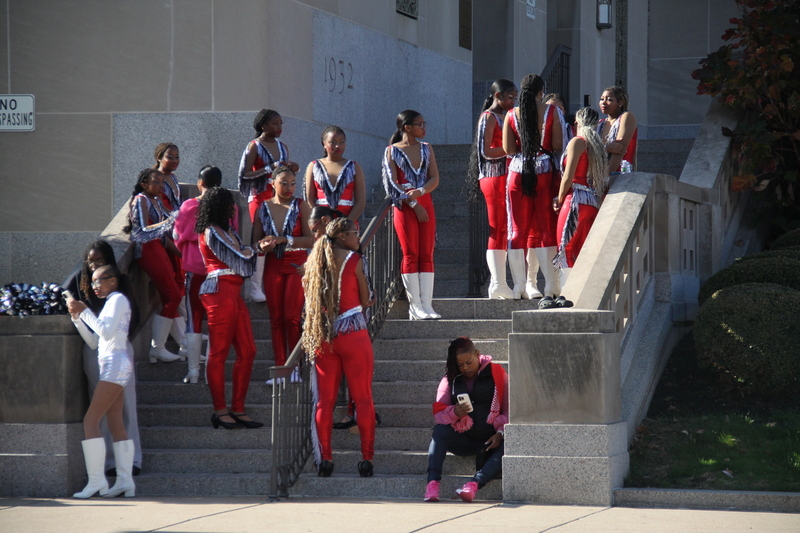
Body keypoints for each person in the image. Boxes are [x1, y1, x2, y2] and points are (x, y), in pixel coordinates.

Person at [301, 217, 376, 478]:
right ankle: (366, 459)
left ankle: (326, 460)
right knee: (363, 398)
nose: (358, 238)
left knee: (325, 401)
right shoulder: (354, 260)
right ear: (343, 236)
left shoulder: (315, 260)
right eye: (355, 233)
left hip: (323, 334)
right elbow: (366, 300)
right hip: (353, 332)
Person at [65, 241, 142, 478]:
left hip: (117, 352)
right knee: (107, 415)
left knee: (124, 409)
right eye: (90, 261)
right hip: (97, 353)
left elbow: (112, 329)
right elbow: (92, 336)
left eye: (100, 261)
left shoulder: (119, 292)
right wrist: (78, 317)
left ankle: (130, 463)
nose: (94, 265)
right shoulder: (79, 280)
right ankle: (115, 470)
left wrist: (84, 312)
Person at [195, 187, 261, 430]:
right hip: (219, 291)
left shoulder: (227, 230)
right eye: (230, 204)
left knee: (249, 350)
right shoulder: (211, 231)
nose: (234, 208)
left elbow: (244, 256)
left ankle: (238, 409)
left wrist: (250, 251)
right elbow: (242, 259)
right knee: (219, 352)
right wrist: (253, 250)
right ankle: (220, 410)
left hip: (232, 291)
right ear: (219, 206)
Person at [503, 74, 567, 307]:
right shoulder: (552, 112)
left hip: (518, 172)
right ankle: (551, 285)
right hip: (545, 171)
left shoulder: (511, 114)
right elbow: (559, 144)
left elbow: (508, 149)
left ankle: (519, 285)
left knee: (516, 230)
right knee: (546, 229)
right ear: (542, 91)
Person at [424, 337, 508, 503]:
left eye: (469, 362)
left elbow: (509, 409)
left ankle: (474, 484)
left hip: (490, 440)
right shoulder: (451, 379)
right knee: (440, 431)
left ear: (477, 354)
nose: (465, 368)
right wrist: (454, 412)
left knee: (513, 440)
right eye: (460, 365)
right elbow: (438, 413)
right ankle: (432, 484)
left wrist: (500, 433)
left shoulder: (498, 374)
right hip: (464, 439)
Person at [252, 166, 314, 384]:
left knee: (292, 317)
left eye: (293, 183)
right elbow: (254, 243)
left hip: (297, 264)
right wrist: (263, 246)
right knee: (276, 319)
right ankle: (280, 368)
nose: (289, 187)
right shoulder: (264, 207)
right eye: (284, 183)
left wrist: (282, 240)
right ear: (272, 183)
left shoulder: (301, 205)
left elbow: (311, 239)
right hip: (273, 265)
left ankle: (293, 366)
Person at [382, 109, 441, 320]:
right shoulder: (391, 151)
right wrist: (414, 202)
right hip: (406, 207)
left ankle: (427, 304)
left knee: (427, 253)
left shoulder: (427, 148)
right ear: (407, 127)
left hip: (426, 203)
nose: (424, 128)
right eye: (420, 124)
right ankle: (414, 306)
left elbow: (434, 178)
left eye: (424, 124)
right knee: (411, 254)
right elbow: (391, 184)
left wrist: (421, 192)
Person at [238, 109, 299, 302]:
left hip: (278, 198)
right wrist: (268, 168)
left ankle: (270, 282)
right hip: (259, 198)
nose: (279, 127)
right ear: (263, 125)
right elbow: (245, 174)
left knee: (276, 237)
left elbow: (284, 173)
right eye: (275, 124)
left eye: (281, 123)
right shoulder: (254, 146)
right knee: (260, 239)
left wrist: (292, 169)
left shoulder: (283, 147)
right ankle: (255, 288)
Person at [174, 165, 227, 384]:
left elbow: (177, 236)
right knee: (217, 320)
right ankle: (213, 372)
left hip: (195, 268)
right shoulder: (226, 206)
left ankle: (193, 371)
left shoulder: (189, 206)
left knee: (194, 318)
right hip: (220, 270)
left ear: (200, 182)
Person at [466, 79, 519, 299]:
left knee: (506, 228)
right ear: (497, 96)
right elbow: (485, 151)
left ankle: (502, 283)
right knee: (498, 228)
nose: (513, 101)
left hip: (506, 175)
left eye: (515, 97)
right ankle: (496, 283)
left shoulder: (506, 116)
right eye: (509, 96)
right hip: (493, 176)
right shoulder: (488, 117)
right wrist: (511, 149)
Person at [123, 168, 182, 363]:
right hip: (147, 251)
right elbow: (142, 230)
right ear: (144, 185)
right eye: (156, 182)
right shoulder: (141, 199)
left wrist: (183, 255)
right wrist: (169, 221)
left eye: (162, 183)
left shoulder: (156, 201)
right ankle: (157, 348)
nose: (160, 186)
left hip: (158, 248)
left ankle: (182, 345)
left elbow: (164, 236)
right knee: (173, 295)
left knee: (171, 296)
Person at [554, 107, 610, 290]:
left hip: (575, 199)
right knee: (584, 251)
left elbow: (568, 176)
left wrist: (560, 198)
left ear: (577, 122)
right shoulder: (598, 145)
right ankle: (585, 291)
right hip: (592, 201)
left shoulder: (577, 142)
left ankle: (568, 293)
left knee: (566, 248)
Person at [154, 142, 190, 359]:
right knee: (174, 288)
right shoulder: (155, 178)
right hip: (164, 236)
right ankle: (168, 343)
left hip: (177, 233)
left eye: (177, 157)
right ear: (159, 157)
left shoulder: (174, 178)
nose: (175, 161)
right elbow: (160, 207)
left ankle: (185, 336)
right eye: (170, 157)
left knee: (180, 283)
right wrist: (180, 216)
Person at [305, 126, 366, 223]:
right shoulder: (314, 166)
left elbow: (360, 202)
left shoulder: (354, 166)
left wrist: (346, 224)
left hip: (346, 224)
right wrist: (319, 222)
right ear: (324, 143)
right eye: (333, 142)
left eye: (342, 142)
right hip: (321, 224)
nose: (338, 146)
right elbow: (309, 200)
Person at [598, 86, 638, 174]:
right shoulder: (600, 123)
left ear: (620, 103)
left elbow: (619, 150)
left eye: (609, 100)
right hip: (598, 174)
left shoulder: (626, 117)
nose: (603, 103)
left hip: (619, 174)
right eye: (601, 99)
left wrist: (607, 176)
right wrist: (606, 147)